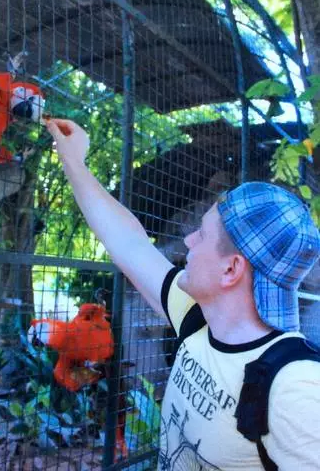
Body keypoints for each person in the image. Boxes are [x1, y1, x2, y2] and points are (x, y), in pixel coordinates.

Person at [42, 118, 320, 470]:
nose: (187, 242)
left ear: (231, 269)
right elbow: (129, 243)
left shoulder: (296, 386)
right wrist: (74, 161)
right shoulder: (195, 319)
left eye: (201, 235)